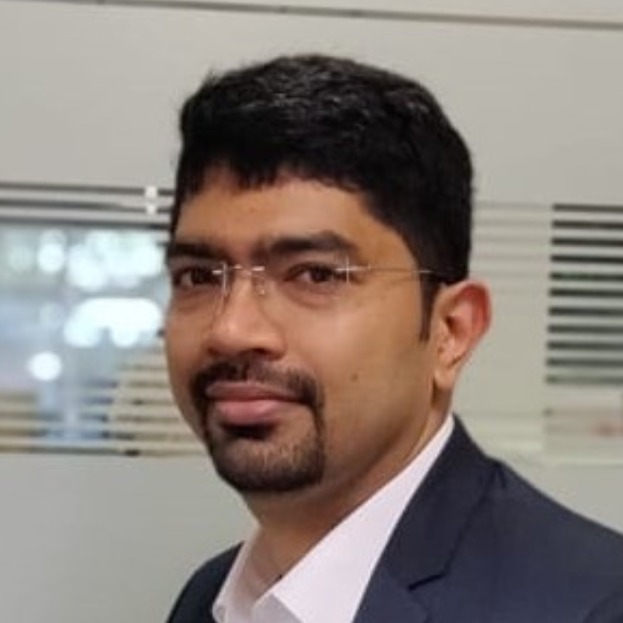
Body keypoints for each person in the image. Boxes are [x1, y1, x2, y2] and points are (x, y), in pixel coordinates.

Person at [163, 54, 623, 623]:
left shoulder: (594, 606)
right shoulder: (213, 597)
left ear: (451, 332)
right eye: (199, 277)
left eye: (315, 275)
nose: (231, 330)